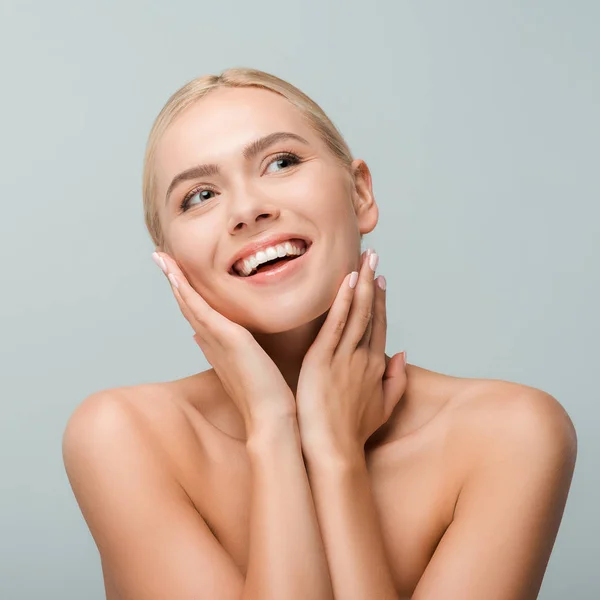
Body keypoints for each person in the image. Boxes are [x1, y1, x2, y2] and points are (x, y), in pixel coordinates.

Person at [62, 67, 578, 600]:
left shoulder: (511, 435)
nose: (247, 210)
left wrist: (336, 456)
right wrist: (273, 427)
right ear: (171, 262)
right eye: (199, 196)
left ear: (360, 194)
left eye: (280, 162)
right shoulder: (123, 436)